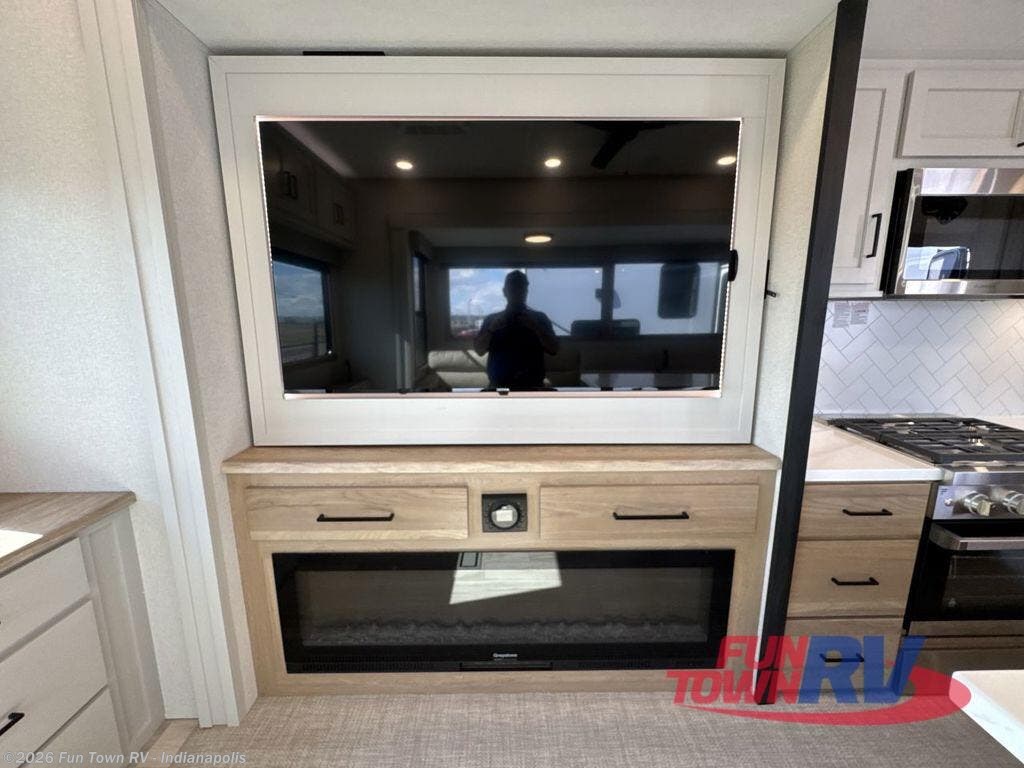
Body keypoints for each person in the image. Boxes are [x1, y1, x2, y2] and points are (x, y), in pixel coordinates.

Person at [473, 270, 559, 390]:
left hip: (533, 387)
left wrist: (536, 328)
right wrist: (491, 330)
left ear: (526, 292)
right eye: (513, 289)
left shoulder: (539, 318)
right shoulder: (492, 320)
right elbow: (479, 350)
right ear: (505, 292)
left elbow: (554, 349)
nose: (517, 293)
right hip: (499, 388)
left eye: (521, 289)